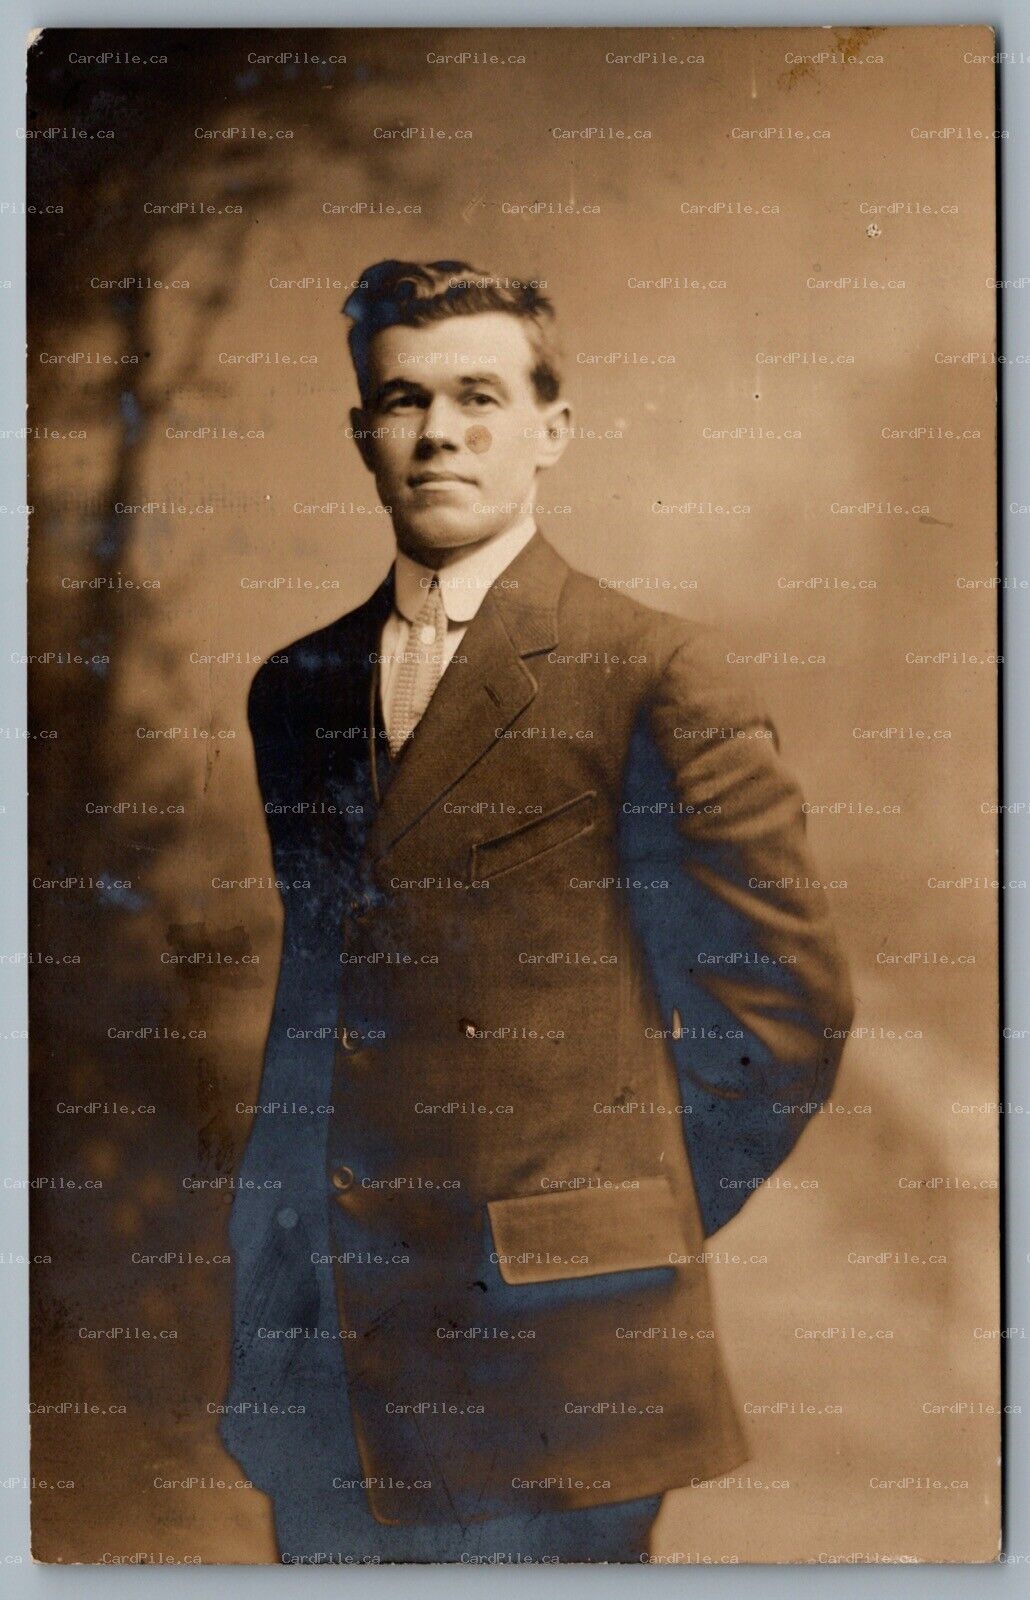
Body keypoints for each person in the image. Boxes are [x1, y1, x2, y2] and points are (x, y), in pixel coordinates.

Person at [220, 259, 854, 1563]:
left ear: (550, 429)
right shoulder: (296, 687)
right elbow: (320, 1011)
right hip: (333, 1345)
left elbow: (784, 1014)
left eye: (479, 397)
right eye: (402, 399)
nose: (438, 433)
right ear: (360, 430)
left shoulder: (653, 673)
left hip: (557, 1354)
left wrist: (611, 1222)